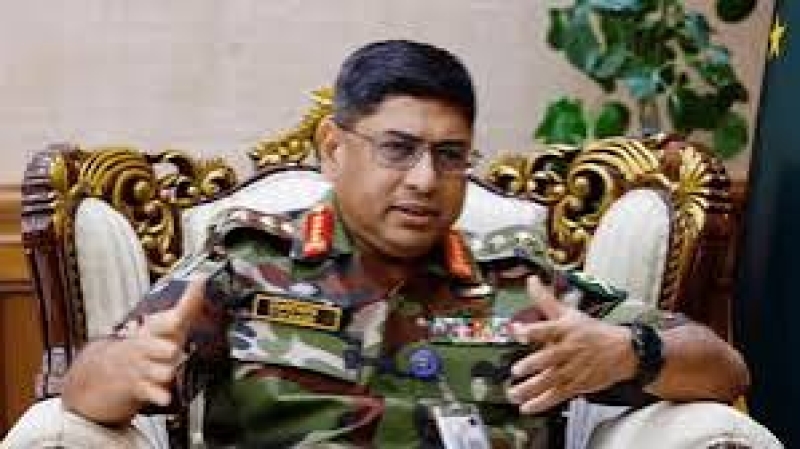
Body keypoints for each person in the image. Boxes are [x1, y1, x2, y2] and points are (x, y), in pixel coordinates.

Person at [5, 39, 781, 448]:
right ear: (333, 148)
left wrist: (629, 353)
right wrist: (127, 366)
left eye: (449, 155)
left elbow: (725, 367)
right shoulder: (245, 267)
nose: (423, 179)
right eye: (397, 148)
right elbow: (85, 391)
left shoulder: (521, 279)